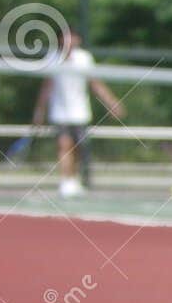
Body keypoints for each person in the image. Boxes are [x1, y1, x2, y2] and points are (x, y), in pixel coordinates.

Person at [31, 28, 125, 198]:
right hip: (59, 112)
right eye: (64, 37)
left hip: (80, 112)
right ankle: (65, 181)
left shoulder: (84, 58)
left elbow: (95, 83)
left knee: (78, 148)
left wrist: (111, 102)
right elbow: (46, 87)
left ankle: (73, 180)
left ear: (77, 39)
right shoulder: (52, 58)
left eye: (71, 37)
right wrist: (40, 111)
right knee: (64, 145)